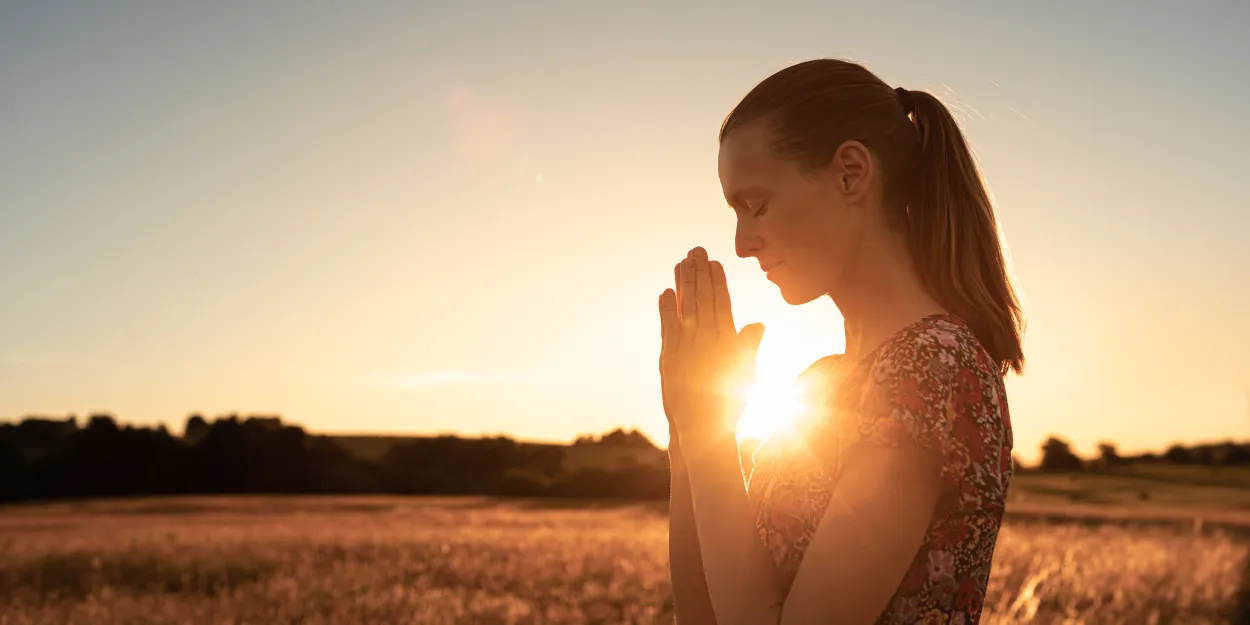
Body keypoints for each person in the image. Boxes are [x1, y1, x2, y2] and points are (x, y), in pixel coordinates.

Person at [657, 58, 1024, 625]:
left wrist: (708, 425)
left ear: (851, 173)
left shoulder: (934, 367)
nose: (742, 243)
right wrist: (690, 429)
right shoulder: (825, 384)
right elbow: (703, 615)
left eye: (756, 205)